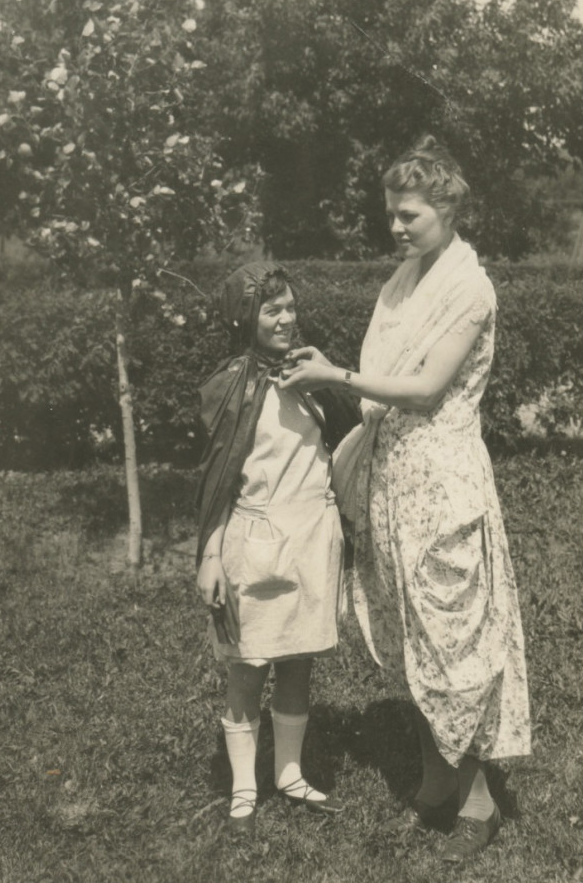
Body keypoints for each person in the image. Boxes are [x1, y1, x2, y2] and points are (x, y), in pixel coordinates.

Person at [279, 136, 531, 864]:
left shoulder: (469, 288)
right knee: (415, 638)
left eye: (409, 215)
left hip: (443, 485)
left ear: (448, 210)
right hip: (395, 482)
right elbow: (388, 376)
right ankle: (433, 781)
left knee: (458, 641)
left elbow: (422, 390)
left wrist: (337, 375)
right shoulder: (406, 279)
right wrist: (335, 376)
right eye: (391, 213)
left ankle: (478, 798)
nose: (396, 226)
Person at [195, 261, 357, 831]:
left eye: (291, 307)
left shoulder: (310, 372)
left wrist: (327, 380)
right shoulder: (232, 387)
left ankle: (288, 772)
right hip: (255, 541)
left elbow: (351, 431)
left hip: (312, 537)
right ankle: (244, 786)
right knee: (248, 664)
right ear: (245, 318)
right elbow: (216, 484)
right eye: (273, 310)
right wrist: (211, 556)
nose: (287, 318)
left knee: (297, 660)